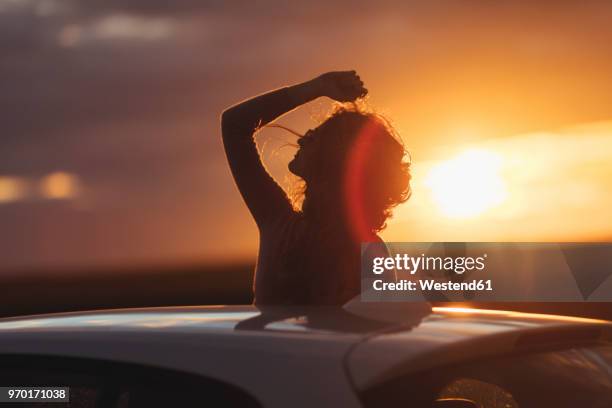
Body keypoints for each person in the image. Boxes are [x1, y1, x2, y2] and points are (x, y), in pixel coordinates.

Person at [221, 71, 411, 305]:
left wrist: (314, 89)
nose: (301, 139)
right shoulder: (370, 250)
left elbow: (235, 125)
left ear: (334, 161)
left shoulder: (280, 224)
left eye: (315, 136)